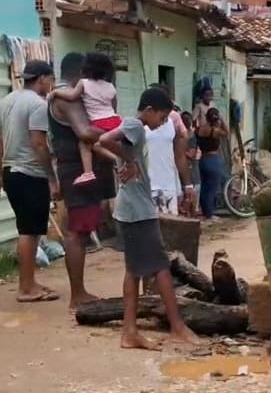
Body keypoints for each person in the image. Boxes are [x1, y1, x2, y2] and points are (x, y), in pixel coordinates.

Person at [97, 88, 199, 350]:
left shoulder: (136, 130)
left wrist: (126, 159)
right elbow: (104, 139)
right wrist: (127, 159)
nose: (163, 123)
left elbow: (105, 144)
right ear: (150, 110)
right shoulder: (135, 124)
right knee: (161, 267)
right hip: (138, 212)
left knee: (134, 271)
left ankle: (130, 332)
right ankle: (177, 326)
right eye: (163, 117)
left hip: (131, 209)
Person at [48, 52, 117, 310]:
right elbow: (85, 132)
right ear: (81, 74)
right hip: (78, 170)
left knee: (75, 228)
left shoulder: (65, 95)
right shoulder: (71, 97)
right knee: (78, 232)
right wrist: (119, 132)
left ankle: (79, 291)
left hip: (73, 169)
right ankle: (78, 294)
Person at [0, 60, 59, 302]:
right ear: (42, 78)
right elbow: (39, 143)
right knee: (30, 232)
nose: (52, 84)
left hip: (11, 173)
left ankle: (29, 282)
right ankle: (26, 288)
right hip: (31, 173)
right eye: (51, 79)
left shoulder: (7, 101)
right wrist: (51, 178)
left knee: (27, 228)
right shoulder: (39, 104)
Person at [49, 53, 121, 185]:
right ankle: (117, 159)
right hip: (114, 121)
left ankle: (91, 171)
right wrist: (116, 134)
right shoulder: (110, 87)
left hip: (98, 125)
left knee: (86, 144)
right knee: (99, 143)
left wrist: (54, 92)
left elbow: (71, 96)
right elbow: (112, 107)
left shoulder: (81, 86)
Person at [145, 83, 195, 215]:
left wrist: (187, 185)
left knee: (170, 229)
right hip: (147, 187)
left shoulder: (171, 124)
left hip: (169, 187)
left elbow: (179, 156)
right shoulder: (138, 125)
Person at [197, 107, 228, 221]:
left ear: (206, 117)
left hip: (203, 159)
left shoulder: (200, 129)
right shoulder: (215, 131)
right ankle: (210, 214)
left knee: (204, 187)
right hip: (213, 160)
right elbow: (226, 132)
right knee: (212, 188)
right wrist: (222, 120)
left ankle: (205, 212)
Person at [181, 111, 201, 217]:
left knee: (194, 192)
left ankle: (193, 215)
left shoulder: (192, 136)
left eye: (189, 119)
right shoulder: (180, 135)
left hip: (192, 167)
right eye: (184, 119)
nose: (187, 121)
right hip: (185, 169)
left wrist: (179, 151)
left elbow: (191, 154)